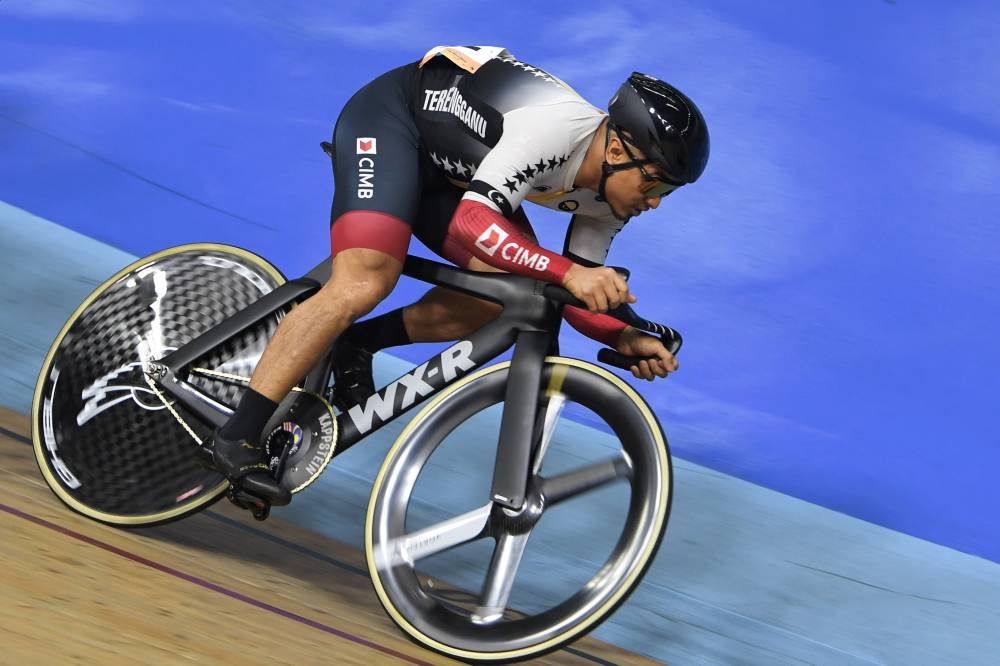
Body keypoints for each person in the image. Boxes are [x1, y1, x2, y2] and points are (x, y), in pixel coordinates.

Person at [205, 45, 710, 504]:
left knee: (500, 297)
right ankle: (235, 437)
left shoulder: (613, 200)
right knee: (365, 280)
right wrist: (569, 273)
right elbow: (474, 222)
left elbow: (577, 295)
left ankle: (356, 344)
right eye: (655, 185)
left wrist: (623, 335)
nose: (655, 203)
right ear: (617, 152)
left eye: (668, 192)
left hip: (456, 174)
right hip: (392, 122)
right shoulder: (555, 131)